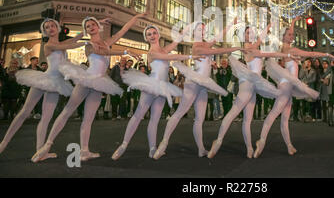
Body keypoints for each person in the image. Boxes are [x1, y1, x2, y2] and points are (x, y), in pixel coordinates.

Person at [32, 14, 147, 162]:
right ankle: (46, 146)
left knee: (89, 118)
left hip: (99, 82)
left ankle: (84, 151)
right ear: (86, 30)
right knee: (67, 111)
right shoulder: (88, 44)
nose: (91, 27)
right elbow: (103, 52)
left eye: (93, 25)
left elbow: (123, 30)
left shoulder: (107, 41)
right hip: (87, 79)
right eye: (87, 26)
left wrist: (136, 16)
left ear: (98, 27)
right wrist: (125, 52)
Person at [153, 20, 243, 159]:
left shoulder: (205, 43)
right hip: (194, 82)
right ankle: (162, 145)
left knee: (200, 119)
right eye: (200, 29)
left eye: (203, 29)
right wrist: (234, 48)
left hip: (203, 86)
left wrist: (231, 25)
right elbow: (217, 50)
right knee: (179, 113)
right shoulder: (196, 46)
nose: (203, 31)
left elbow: (218, 37)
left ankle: (201, 149)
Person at [112, 24, 202, 160]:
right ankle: (123, 145)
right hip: (152, 85)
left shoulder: (164, 49)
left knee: (154, 120)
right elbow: (170, 57)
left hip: (162, 88)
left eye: (154, 33)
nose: (152, 35)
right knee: (137, 116)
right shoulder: (152, 52)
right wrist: (190, 56)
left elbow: (176, 42)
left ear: (158, 35)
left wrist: (187, 29)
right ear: (146, 39)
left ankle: (152, 148)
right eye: (149, 34)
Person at [208, 23, 296, 159]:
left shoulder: (254, 46)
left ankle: (249, 148)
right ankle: (218, 141)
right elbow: (269, 52)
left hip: (254, 87)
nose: (251, 35)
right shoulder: (249, 48)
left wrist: (267, 27)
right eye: (248, 33)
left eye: (252, 32)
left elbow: (261, 41)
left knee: (247, 120)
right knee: (232, 114)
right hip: (247, 85)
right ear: (244, 36)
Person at [0, 19, 85, 158]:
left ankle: (40, 151)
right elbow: (72, 44)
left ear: (57, 28)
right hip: (45, 80)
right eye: (47, 27)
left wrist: (89, 27)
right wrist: (85, 42)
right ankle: (3, 144)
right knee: (25, 112)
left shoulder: (60, 45)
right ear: (45, 31)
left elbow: (74, 39)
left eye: (52, 26)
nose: (50, 28)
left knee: (46, 118)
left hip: (55, 83)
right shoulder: (49, 45)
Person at [253, 17, 333, 158]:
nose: (292, 36)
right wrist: (327, 54)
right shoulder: (292, 50)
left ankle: (289, 146)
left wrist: (294, 22)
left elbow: (293, 44)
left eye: (292, 34)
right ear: (284, 37)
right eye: (290, 35)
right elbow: (311, 54)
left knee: (284, 119)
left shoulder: (285, 49)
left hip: (287, 86)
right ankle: (262, 141)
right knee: (274, 115)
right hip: (286, 86)